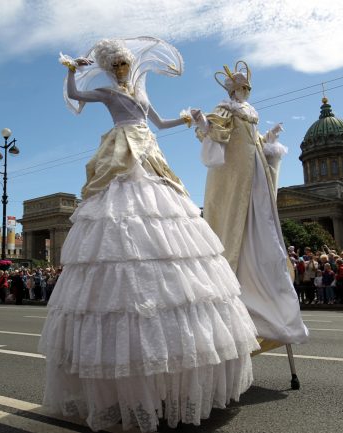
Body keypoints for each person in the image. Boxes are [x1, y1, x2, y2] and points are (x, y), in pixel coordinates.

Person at [39, 37, 259, 433]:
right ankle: (129, 391)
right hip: (122, 153)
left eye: (124, 62)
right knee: (122, 228)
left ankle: (168, 380)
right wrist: (71, 69)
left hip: (151, 153)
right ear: (109, 66)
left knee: (166, 232)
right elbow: (75, 94)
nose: (122, 67)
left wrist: (188, 117)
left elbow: (159, 123)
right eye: (116, 63)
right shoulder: (105, 92)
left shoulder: (140, 91)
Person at [191, 61, 309, 346]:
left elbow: (253, 139)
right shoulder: (226, 108)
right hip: (236, 170)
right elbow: (216, 130)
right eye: (240, 87)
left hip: (253, 167)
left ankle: (267, 299)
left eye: (246, 87)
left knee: (260, 218)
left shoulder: (250, 112)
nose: (243, 91)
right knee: (236, 218)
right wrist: (201, 123)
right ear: (232, 88)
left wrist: (269, 138)